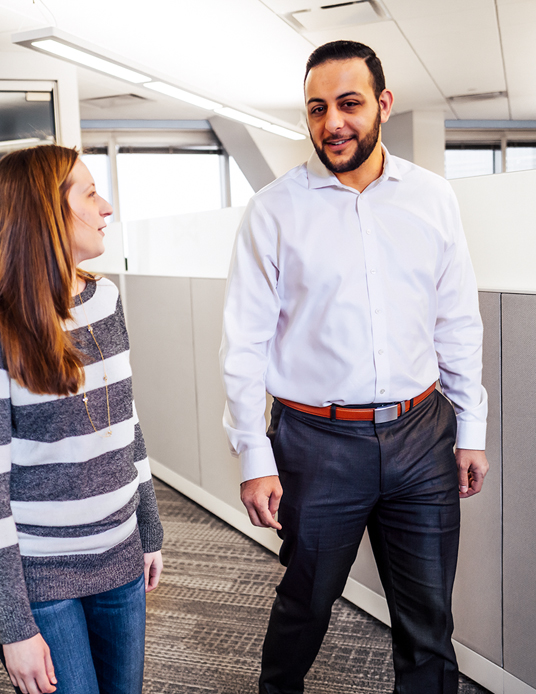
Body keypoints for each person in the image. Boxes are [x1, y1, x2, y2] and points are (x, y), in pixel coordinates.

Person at [220, 40, 489, 694]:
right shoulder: (274, 212)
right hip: (315, 444)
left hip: (421, 434)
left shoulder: (431, 199)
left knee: (428, 621)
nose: (332, 123)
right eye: (317, 109)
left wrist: (471, 428)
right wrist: (254, 456)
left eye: (348, 104)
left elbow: (455, 319)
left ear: (383, 105)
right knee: (308, 605)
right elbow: (243, 343)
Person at [0, 145, 163, 694]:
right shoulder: (4, 329)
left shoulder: (106, 298)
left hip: (121, 555)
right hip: (44, 577)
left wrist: (149, 530)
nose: (106, 207)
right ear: (46, 212)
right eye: (90, 194)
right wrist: (12, 625)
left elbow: (129, 426)